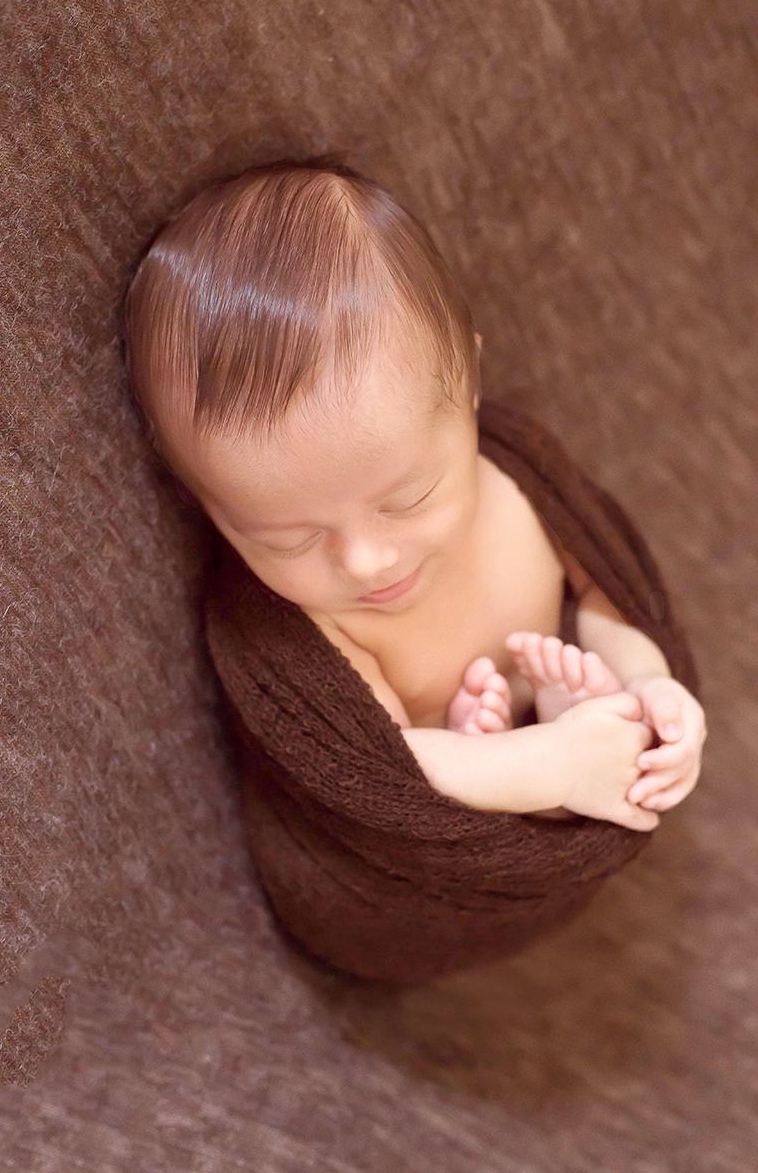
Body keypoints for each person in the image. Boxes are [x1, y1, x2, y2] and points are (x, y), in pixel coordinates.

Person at [124, 156, 706, 834]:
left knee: (608, 704)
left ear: (469, 386)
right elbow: (375, 770)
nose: (365, 562)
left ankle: (576, 729)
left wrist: (647, 685)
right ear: (204, 505)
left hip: (561, 707)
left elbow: (611, 590)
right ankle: (545, 764)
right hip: (448, 814)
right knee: (463, 781)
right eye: (289, 538)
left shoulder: (521, 481)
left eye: (408, 498)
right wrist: (540, 767)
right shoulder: (306, 632)